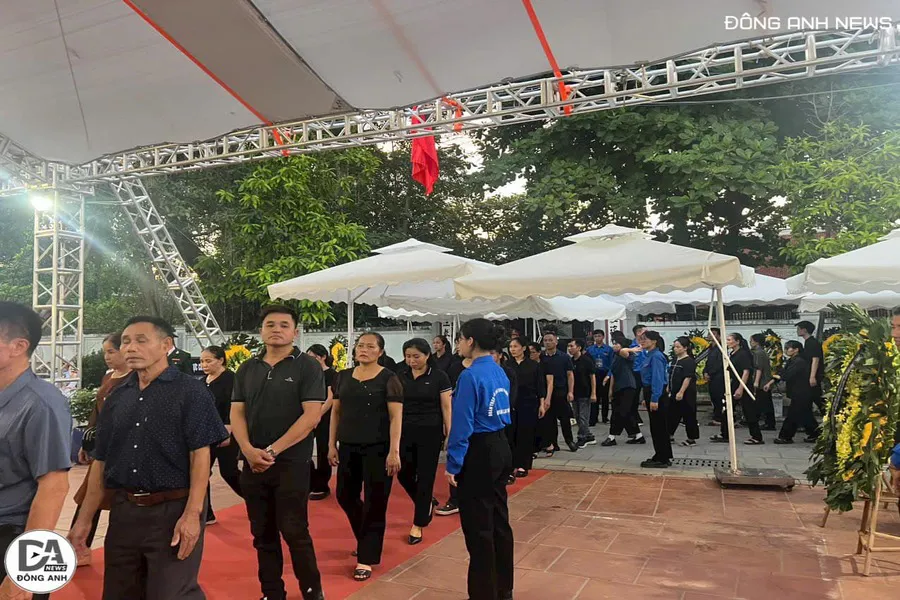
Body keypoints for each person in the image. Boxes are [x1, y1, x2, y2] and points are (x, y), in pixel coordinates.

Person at [70, 315, 227, 599]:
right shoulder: (118, 396)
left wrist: (193, 514)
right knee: (119, 592)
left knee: (170, 593)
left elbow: (200, 455)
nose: (130, 347)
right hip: (124, 511)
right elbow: (101, 461)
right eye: (126, 341)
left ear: (166, 345)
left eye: (141, 340)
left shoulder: (190, 391)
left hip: (173, 509)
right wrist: (84, 519)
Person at [229, 306, 326, 600]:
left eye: (284, 325)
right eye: (270, 324)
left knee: (295, 531)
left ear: (295, 332)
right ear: (261, 330)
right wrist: (247, 450)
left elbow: (311, 416)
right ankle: (272, 592)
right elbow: (237, 412)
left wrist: (271, 451)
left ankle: (312, 592)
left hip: (291, 464)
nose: (276, 329)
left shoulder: (307, 367)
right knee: (262, 534)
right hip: (253, 463)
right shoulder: (247, 368)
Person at [0, 302, 72, 600]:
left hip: (12, 536)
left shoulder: (42, 403)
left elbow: (54, 487)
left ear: (18, 347)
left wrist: (23, 572)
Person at [445, 319, 514, 600]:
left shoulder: (470, 376)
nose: (458, 344)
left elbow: (462, 425)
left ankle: (484, 593)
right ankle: (503, 588)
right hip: (500, 446)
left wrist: (453, 463)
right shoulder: (499, 370)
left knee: (478, 528)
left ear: (471, 341)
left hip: (479, 450)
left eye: (460, 339)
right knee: (499, 521)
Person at [329, 332, 403, 581]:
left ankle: (366, 557)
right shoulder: (343, 376)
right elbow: (336, 412)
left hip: (379, 448)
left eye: (371, 346)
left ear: (380, 352)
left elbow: (396, 417)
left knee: (375, 501)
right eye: (360, 345)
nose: (364, 349)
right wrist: (331, 444)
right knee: (345, 495)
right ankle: (366, 539)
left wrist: (394, 451)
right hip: (348, 445)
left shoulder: (389, 378)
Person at [72, 332, 131, 567]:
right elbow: (97, 412)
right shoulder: (108, 376)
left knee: (119, 501)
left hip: (124, 448)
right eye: (105, 352)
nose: (107, 356)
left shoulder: (135, 378)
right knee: (88, 498)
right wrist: (87, 441)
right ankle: (79, 547)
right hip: (102, 446)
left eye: (111, 351)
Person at [397, 338, 452, 545]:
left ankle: (418, 523)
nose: (411, 361)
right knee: (403, 474)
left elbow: (446, 406)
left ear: (427, 355)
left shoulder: (439, 376)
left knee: (426, 477)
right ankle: (425, 502)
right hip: (404, 431)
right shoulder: (400, 375)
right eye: (408, 356)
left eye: (416, 356)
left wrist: (449, 432)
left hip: (431, 432)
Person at [199, 346, 241, 525]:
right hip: (205, 435)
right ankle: (206, 513)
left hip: (226, 433)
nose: (204, 365)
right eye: (202, 361)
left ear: (221, 360)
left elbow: (235, 406)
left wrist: (228, 429)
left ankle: (257, 499)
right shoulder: (202, 382)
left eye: (208, 361)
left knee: (229, 471)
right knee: (200, 474)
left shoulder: (231, 379)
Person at [434, 351, 474, 518]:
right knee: (456, 456)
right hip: (458, 419)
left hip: (479, 426)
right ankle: (455, 499)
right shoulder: (456, 368)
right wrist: (448, 424)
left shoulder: (486, 370)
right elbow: (448, 398)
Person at [710, 333, 760, 445]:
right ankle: (725, 434)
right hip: (733, 385)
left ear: (737, 341)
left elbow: (746, 372)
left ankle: (757, 436)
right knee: (727, 409)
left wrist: (740, 388)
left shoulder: (743, 354)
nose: (727, 342)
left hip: (743, 385)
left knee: (749, 411)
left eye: (729, 340)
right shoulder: (733, 353)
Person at [772, 341, 820, 444]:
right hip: (798, 391)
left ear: (796, 350)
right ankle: (815, 434)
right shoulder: (792, 360)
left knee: (793, 415)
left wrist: (778, 377)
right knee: (806, 414)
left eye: (788, 348)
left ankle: (785, 436)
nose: (786, 350)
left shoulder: (799, 361)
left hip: (802, 391)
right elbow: (783, 372)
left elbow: (787, 374)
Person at [601, 331, 644, 446]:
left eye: (616, 344)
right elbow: (613, 374)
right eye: (613, 343)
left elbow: (623, 351)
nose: (614, 346)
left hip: (628, 387)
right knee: (626, 412)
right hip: (618, 387)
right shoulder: (615, 356)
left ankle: (612, 437)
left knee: (619, 412)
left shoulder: (627, 355)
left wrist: (631, 349)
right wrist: (610, 390)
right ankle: (638, 436)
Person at [508, 337, 542, 478]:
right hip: (510, 403)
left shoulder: (533, 365)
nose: (512, 349)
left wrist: (542, 403)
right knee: (511, 434)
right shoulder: (507, 365)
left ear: (523, 348)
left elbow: (540, 385)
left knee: (526, 434)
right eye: (511, 347)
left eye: (515, 346)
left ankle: (523, 464)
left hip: (529, 403)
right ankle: (510, 465)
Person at [539, 331, 578, 454]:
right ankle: (553, 443)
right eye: (545, 340)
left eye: (550, 340)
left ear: (556, 341)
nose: (548, 342)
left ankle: (569, 440)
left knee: (564, 418)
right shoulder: (541, 357)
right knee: (549, 420)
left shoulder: (564, 357)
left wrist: (570, 391)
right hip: (546, 392)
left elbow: (570, 375)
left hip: (561, 391)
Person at [307, 344, 337, 501]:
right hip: (309, 415)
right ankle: (311, 481)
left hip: (325, 417)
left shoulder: (331, 374)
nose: (310, 360)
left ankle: (322, 485)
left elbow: (331, 398)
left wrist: (318, 414)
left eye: (313, 357)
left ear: (323, 356)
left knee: (323, 450)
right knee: (302, 449)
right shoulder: (310, 374)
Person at [639, 331, 672, 468]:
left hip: (656, 392)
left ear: (654, 341)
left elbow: (657, 379)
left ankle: (662, 458)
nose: (642, 341)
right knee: (656, 426)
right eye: (641, 339)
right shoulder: (649, 355)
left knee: (659, 427)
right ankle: (661, 455)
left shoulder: (656, 356)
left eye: (645, 339)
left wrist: (654, 398)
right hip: (651, 391)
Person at [490, 348, 519, 485]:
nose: (490, 356)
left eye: (492, 353)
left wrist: (508, 407)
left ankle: (510, 470)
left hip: (506, 411)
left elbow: (512, 392)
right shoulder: (484, 372)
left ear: (500, 355)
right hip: (490, 414)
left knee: (508, 440)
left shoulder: (508, 372)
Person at [668, 336, 699, 447]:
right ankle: (669, 434)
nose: (675, 349)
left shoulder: (689, 361)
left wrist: (681, 391)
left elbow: (688, 378)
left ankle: (691, 438)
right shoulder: (675, 360)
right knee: (672, 414)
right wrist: (668, 387)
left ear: (685, 348)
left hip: (687, 392)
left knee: (689, 414)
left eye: (678, 347)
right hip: (674, 391)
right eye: (674, 347)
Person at [567, 338, 597, 448]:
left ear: (579, 347)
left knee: (583, 417)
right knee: (577, 416)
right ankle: (589, 436)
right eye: (568, 346)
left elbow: (592, 377)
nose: (569, 348)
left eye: (572, 346)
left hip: (585, 392)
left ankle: (582, 437)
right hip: (574, 392)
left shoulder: (586, 360)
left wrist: (593, 393)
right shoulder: (570, 361)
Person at [796, 321, 825, 414]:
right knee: (811, 397)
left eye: (799, 329)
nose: (797, 331)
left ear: (804, 330)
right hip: (809, 374)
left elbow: (815, 359)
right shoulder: (808, 342)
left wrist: (812, 376)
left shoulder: (812, 343)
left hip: (814, 375)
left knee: (816, 397)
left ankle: (828, 414)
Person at [586, 330, 613, 425]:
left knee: (605, 397)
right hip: (594, 374)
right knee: (594, 396)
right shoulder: (589, 350)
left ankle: (605, 417)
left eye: (599, 336)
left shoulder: (609, 349)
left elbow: (612, 364)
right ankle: (593, 418)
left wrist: (608, 375)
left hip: (605, 374)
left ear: (603, 337)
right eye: (595, 336)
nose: (597, 338)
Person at [750, 334, 776, 430]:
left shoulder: (758, 353)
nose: (750, 343)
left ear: (756, 342)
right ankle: (769, 423)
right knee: (766, 403)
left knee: (764, 403)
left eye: (751, 341)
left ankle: (769, 423)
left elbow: (759, 368)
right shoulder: (762, 352)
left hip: (762, 382)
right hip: (765, 380)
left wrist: (756, 382)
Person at [704, 327, 725, 425]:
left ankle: (719, 418)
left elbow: (719, 364)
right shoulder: (710, 348)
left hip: (718, 377)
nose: (710, 336)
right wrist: (705, 372)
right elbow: (708, 362)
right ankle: (716, 415)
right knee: (713, 397)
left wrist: (710, 373)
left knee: (718, 397)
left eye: (713, 334)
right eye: (709, 334)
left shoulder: (721, 348)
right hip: (711, 377)